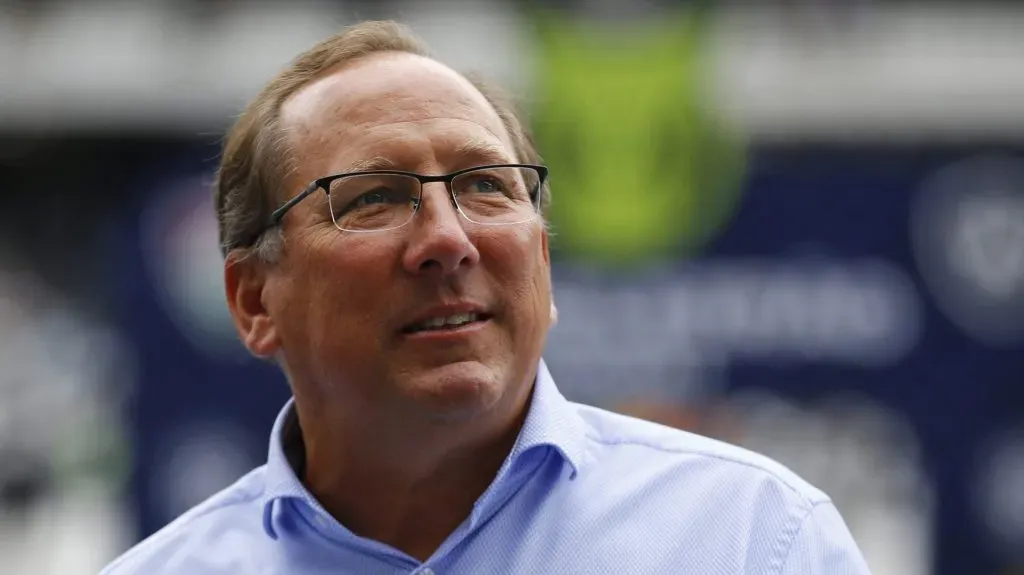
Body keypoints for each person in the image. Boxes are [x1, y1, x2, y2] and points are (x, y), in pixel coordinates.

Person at [101, 20, 871, 574]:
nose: (449, 238)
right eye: (372, 198)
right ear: (252, 300)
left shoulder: (753, 540)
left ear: (541, 258)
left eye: (485, 187)